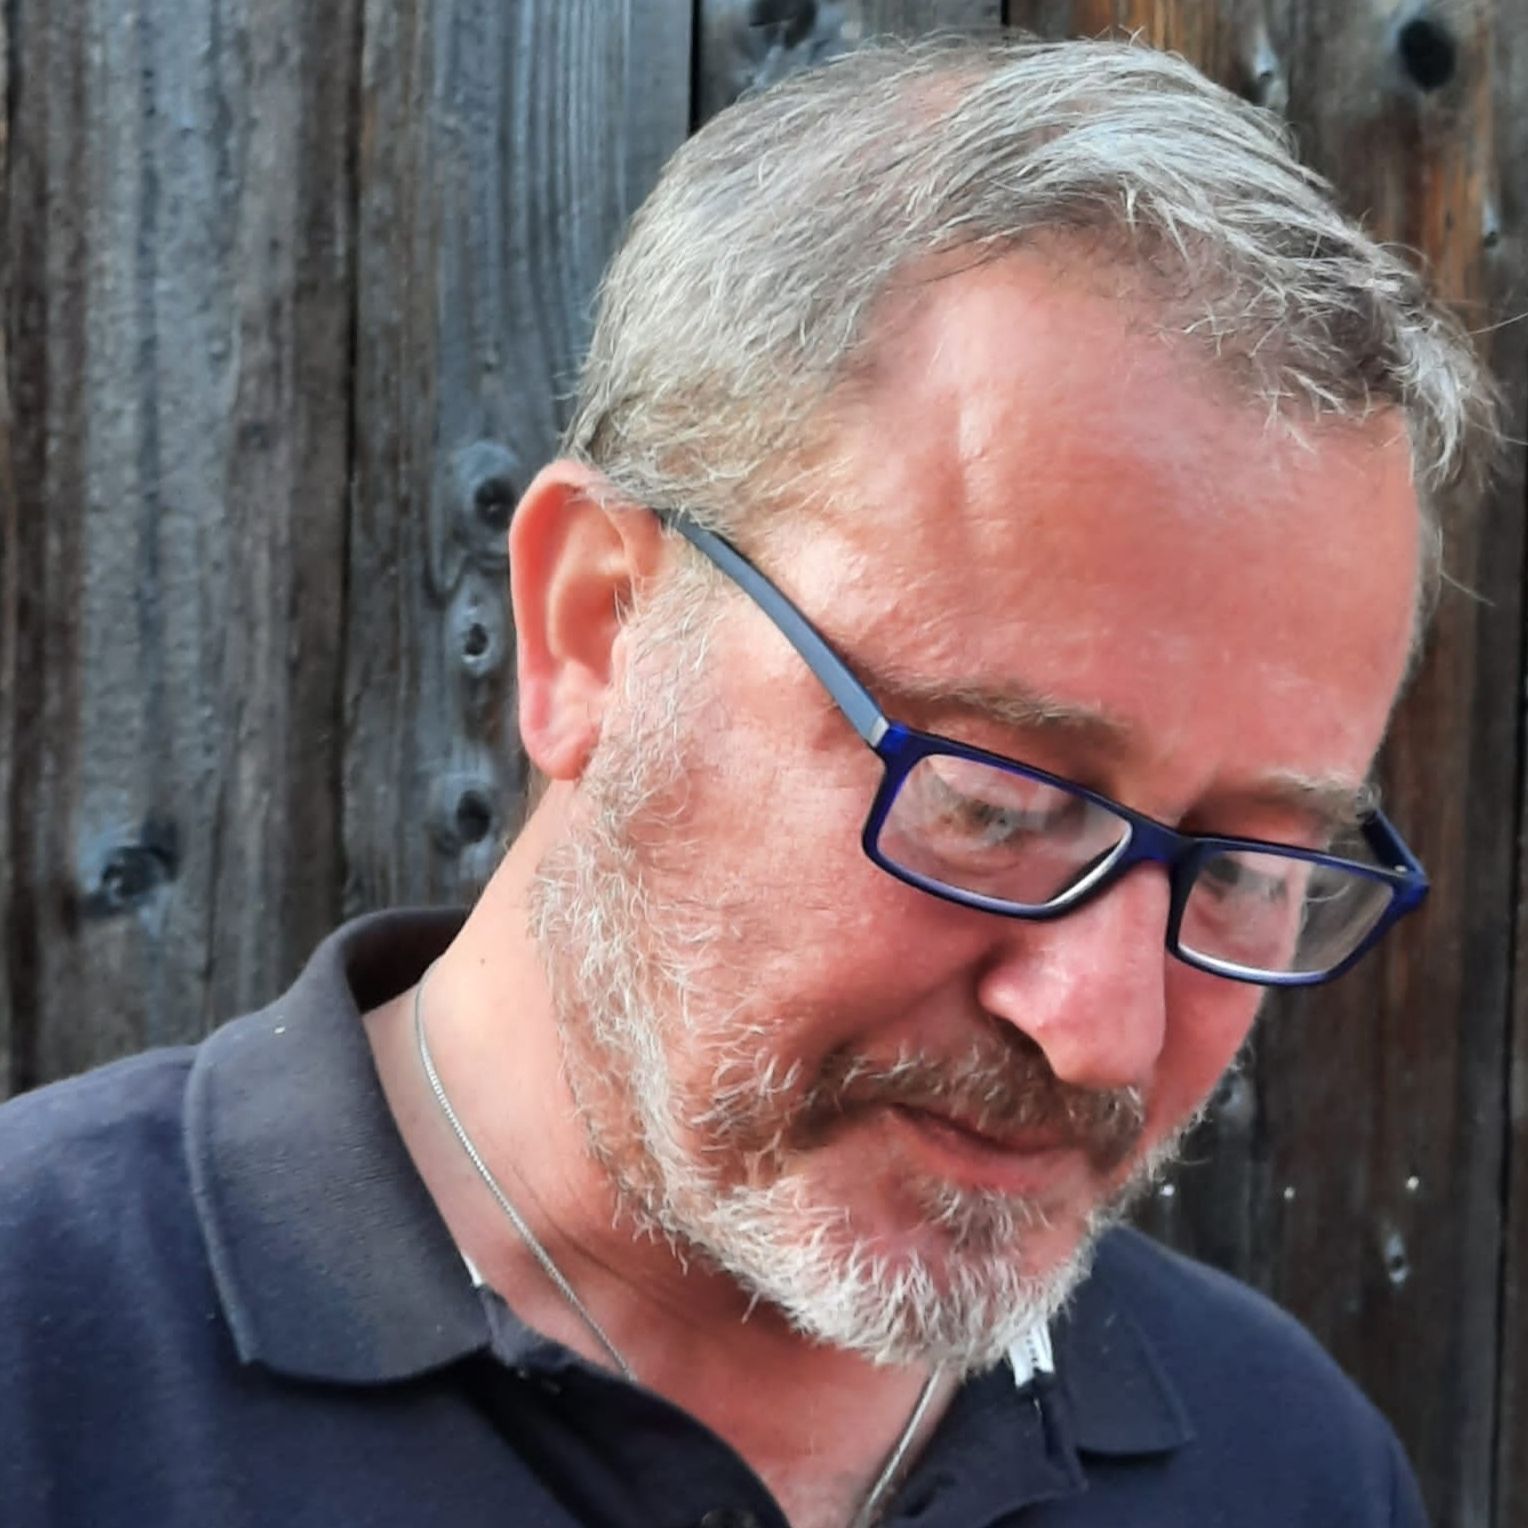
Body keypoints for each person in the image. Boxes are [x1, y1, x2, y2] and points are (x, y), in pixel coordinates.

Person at [0, 36, 1496, 1528]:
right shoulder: (43, 1368)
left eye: (1243, 870)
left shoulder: (1290, 1468)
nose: (1103, 1034)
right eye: (994, 802)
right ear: (595, 628)